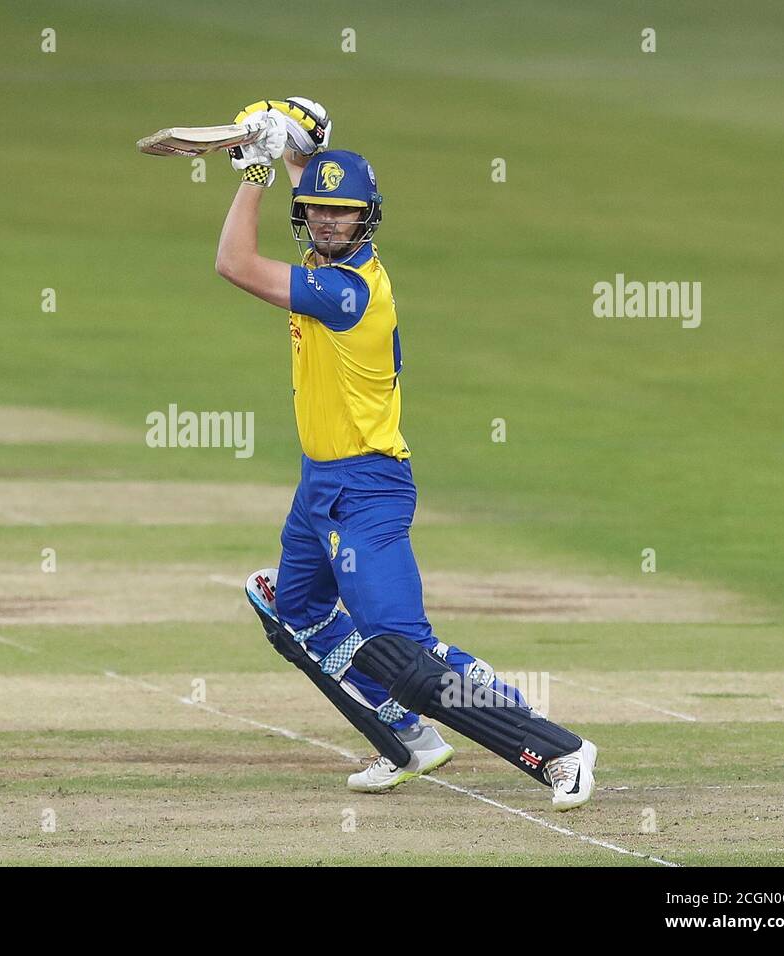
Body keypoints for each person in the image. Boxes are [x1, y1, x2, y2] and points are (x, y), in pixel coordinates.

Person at [215, 101, 597, 808]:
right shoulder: (327, 258)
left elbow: (232, 262)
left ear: (368, 219)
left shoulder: (346, 291)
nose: (330, 220)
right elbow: (320, 186)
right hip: (318, 485)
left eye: (344, 212)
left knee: (403, 653)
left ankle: (557, 748)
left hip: (367, 489)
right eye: (320, 210)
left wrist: (258, 166)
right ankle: (407, 738)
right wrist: (302, 139)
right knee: (288, 610)